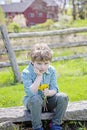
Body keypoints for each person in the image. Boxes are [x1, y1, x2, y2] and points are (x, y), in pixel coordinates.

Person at [22, 44, 68, 130]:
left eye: (46, 63)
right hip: (33, 103)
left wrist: (50, 92)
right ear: (32, 62)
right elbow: (31, 93)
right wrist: (39, 77)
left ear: (49, 62)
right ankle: (37, 127)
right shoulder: (26, 72)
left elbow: (55, 89)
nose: (42, 67)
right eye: (39, 63)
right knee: (36, 98)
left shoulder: (51, 70)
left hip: (48, 101)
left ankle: (56, 124)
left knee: (63, 97)